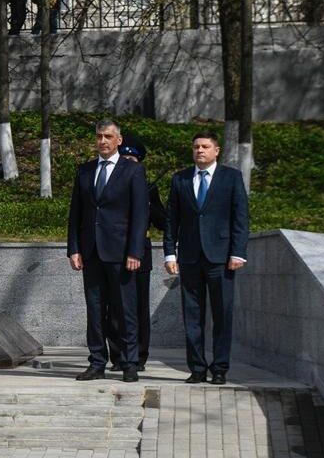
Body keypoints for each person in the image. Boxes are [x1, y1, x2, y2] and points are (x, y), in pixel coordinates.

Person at [163, 131, 249, 385]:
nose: (200, 150)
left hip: (221, 259)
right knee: (192, 315)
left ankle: (220, 368)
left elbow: (240, 218)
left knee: (222, 314)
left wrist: (238, 252)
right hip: (189, 258)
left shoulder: (231, 178)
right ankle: (197, 368)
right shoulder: (180, 179)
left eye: (205, 146)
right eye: (196, 147)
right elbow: (171, 220)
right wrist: (170, 253)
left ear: (216, 150)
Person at [67, 120, 149, 382]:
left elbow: (140, 214)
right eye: (99, 136)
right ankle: (97, 361)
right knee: (95, 310)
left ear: (119, 140)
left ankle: (129, 363)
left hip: (122, 253)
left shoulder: (132, 171)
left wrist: (135, 251)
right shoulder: (85, 171)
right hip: (91, 252)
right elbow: (76, 214)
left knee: (125, 310)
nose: (103, 141)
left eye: (108, 136)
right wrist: (74, 249)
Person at [104, 134, 167, 372]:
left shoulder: (148, 189)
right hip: (111, 252)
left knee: (138, 307)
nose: (128, 163)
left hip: (139, 255)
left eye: (133, 159)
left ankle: (138, 356)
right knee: (113, 308)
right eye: (124, 158)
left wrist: (149, 206)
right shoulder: (108, 184)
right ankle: (118, 357)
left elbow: (163, 221)